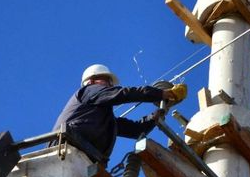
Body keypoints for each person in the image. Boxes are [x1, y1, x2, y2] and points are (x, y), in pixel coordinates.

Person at [52, 64, 187, 162]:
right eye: (106, 81)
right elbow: (123, 94)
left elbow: (137, 130)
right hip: (65, 147)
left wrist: (160, 113)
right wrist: (162, 93)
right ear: (91, 81)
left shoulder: (104, 122)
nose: (110, 85)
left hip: (85, 158)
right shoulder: (88, 91)